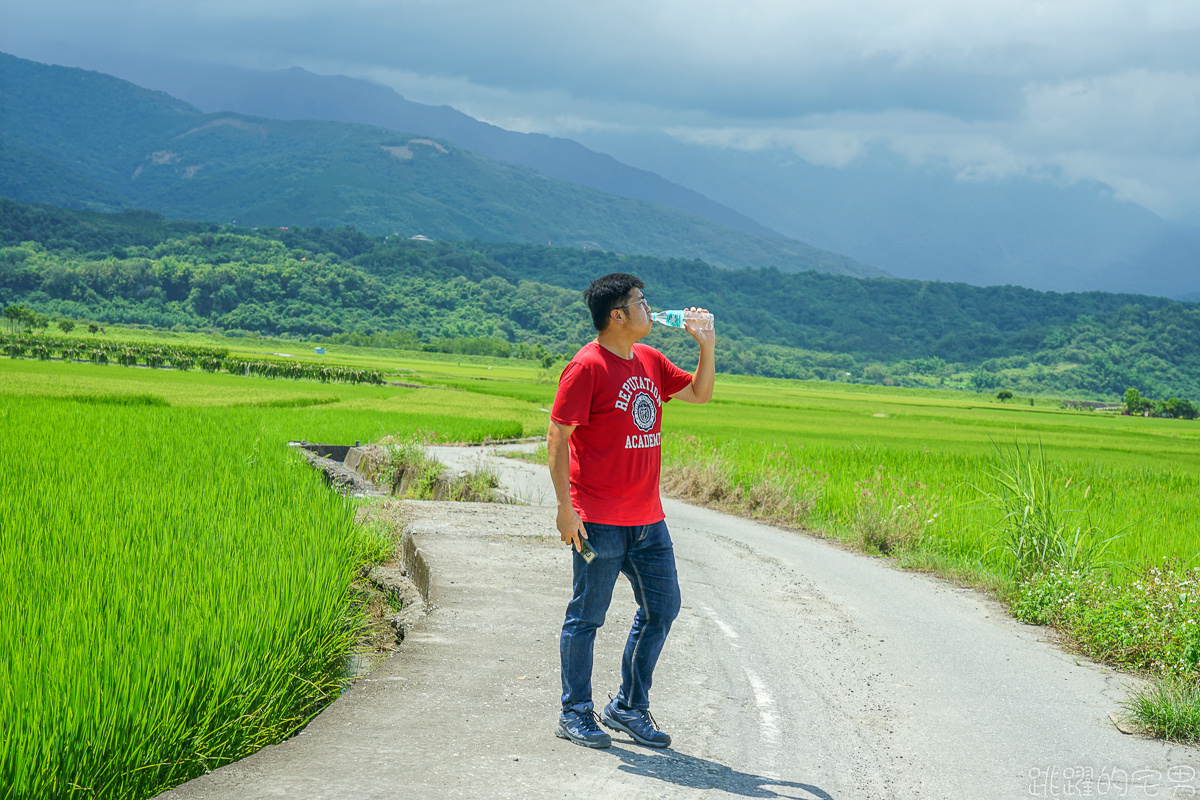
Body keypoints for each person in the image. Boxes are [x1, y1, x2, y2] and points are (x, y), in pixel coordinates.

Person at [548, 272, 715, 749]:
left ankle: (627, 707)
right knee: (587, 617)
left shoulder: (649, 360)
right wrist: (566, 508)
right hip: (598, 519)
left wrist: (706, 344)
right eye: (642, 302)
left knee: (662, 608)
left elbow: (699, 394)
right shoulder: (587, 366)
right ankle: (575, 711)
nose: (650, 309)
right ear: (617, 315)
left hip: (647, 520)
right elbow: (559, 435)